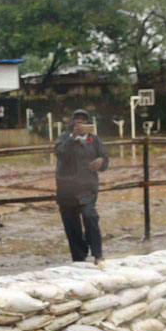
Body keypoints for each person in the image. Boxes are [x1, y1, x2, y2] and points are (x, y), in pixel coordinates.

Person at [54, 108, 109, 265]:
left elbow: (104, 158)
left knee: (90, 216)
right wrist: (73, 137)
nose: (80, 122)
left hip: (87, 188)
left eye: (83, 120)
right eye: (77, 119)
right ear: (72, 122)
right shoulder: (64, 138)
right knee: (71, 225)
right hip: (67, 189)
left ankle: (98, 254)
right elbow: (60, 153)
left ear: (87, 123)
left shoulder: (94, 140)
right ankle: (79, 257)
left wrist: (101, 162)